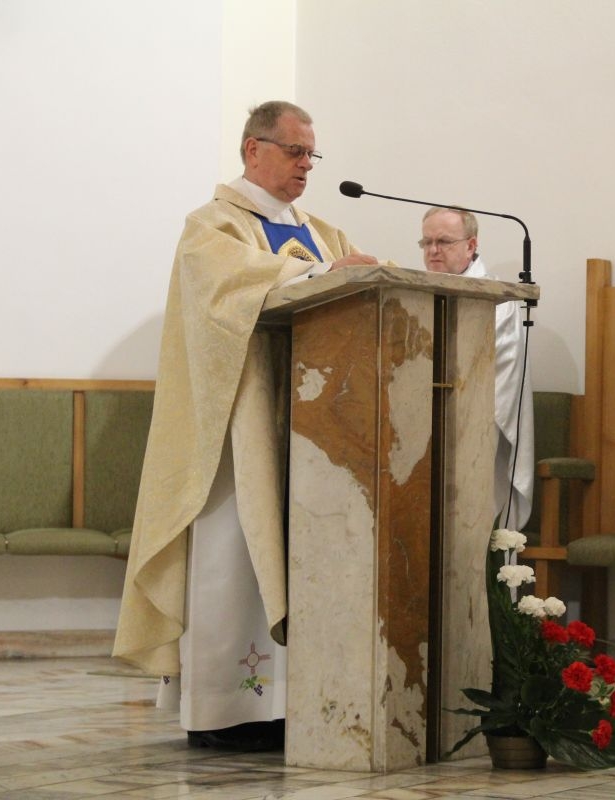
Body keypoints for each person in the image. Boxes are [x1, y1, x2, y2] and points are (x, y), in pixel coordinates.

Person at [113, 101, 378, 749]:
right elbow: (222, 294)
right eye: (295, 151)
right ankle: (226, 711)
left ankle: (296, 705)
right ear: (253, 149)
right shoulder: (213, 226)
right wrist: (320, 273)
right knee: (234, 554)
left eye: (312, 154)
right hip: (240, 433)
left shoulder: (324, 232)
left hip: (315, 430)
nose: (306, 165)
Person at [420, 207, 534, 530]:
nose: (433, 250)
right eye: (426, 242)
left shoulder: (496, 302)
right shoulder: (416, 294)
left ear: (471, 245)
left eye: (443, 242)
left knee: (472, 523)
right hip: (423, 426)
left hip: (478, 426)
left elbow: (492, 378)